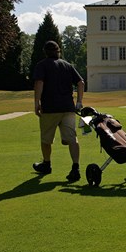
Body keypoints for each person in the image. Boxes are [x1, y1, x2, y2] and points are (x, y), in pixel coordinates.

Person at [33, 40, 85, 182]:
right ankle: (75, 168)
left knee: (46, 139)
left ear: (45, 52)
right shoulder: (67, 65)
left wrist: (37, 103)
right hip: (68, 108)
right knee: (72, 138)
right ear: (58, 51)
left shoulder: (42, 65)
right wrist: (79, 101)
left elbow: (39, 83)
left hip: (50, 108)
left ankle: (47, 164)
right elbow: (81, 83)